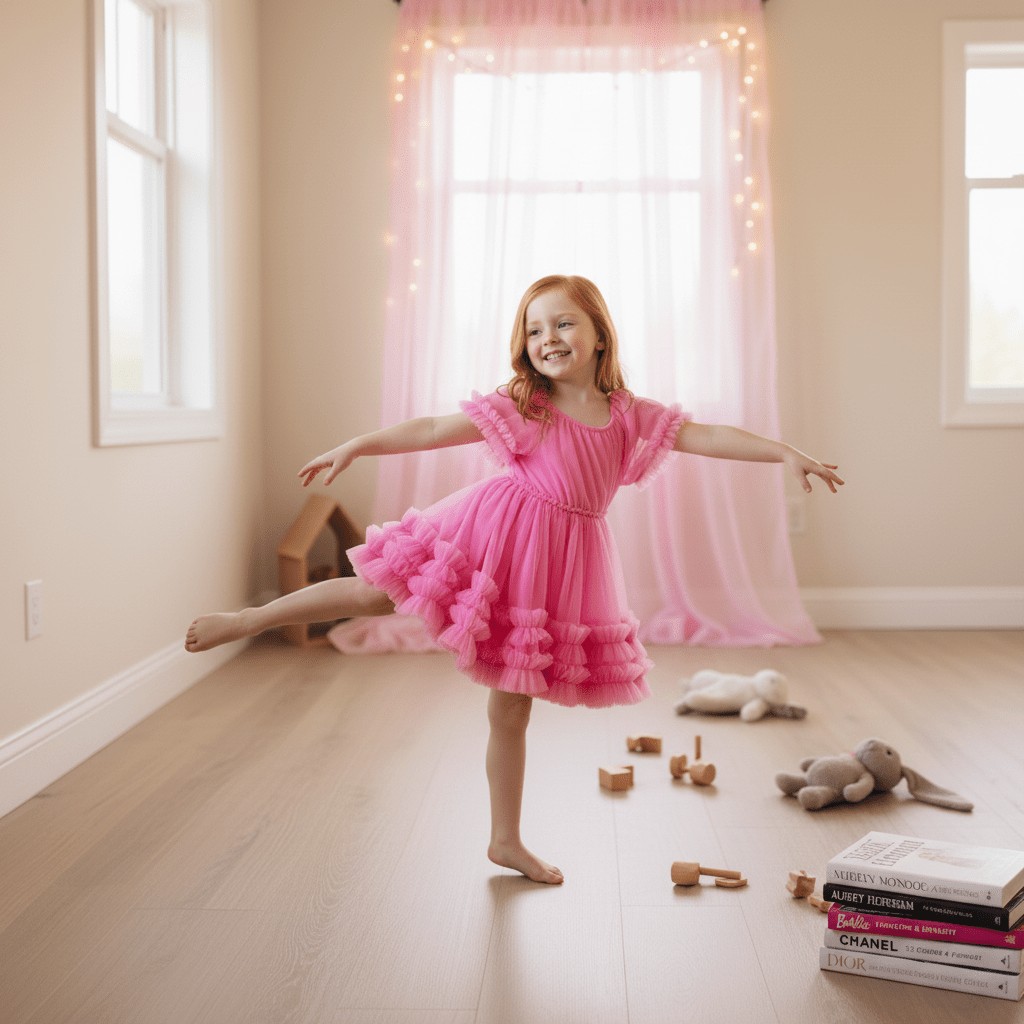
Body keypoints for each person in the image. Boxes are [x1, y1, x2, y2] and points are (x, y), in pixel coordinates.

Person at [186, 274, 843, 885]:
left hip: (560, 561)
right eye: (535, 329)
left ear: (598, 335)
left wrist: (785, 452)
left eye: (563, 325)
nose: (548, 339)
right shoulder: (528, 403)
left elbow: (709, 437)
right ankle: (250, 619)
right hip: (493, 530)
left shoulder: (627, 413)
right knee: (370, 593)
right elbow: (432, 429)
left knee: (511, 705)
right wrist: (358, 444)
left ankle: (506, 839)